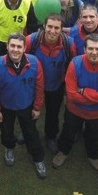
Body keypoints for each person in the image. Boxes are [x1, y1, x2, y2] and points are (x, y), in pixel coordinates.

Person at [52, 32, 98, 171]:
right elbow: (71, 94)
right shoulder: (75, 64)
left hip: (97, 114)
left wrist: (83, 91)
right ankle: (63, 151)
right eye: (90, 49)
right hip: (74, 110)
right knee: (68, 132)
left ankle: (93, 156)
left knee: (93, 136)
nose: (94, 52)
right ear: (84, 49)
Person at [0, 33, 47, 179]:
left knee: (31, 133)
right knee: (6, 131)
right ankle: (9, 147)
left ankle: (38, 158)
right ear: (7, 46)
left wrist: (37, 107)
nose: (15, 49)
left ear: (25, 48)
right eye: (12, 46)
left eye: (19, 46)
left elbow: (40, 87)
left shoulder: (34, 62)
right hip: (5, 107)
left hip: (27, 106)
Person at [25, 14, 73, 154]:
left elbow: (72, 66)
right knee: (30, 111)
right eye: (50, 27)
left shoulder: (68, 43)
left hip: (55, 85)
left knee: (53, 113)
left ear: (62, 29)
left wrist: (66, 88)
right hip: (33, 85)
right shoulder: (31, 40)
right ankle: (28, 131)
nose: (52, 31)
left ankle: (50, 136)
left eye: (56, 28)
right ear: (44, 26)